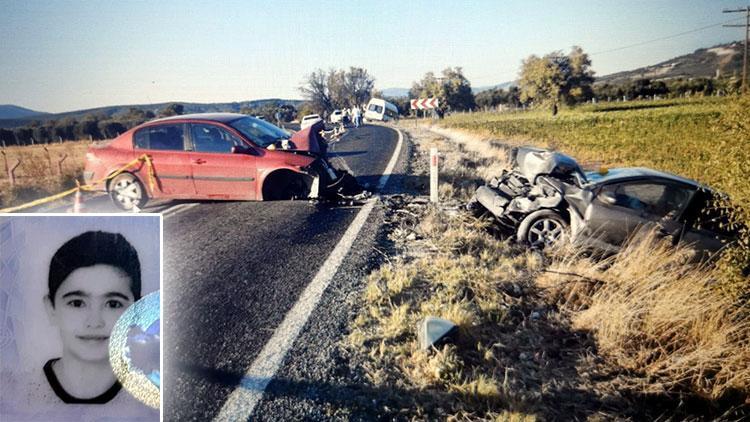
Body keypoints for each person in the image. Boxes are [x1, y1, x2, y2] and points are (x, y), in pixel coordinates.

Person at [42, 231, 141, 404]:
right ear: (51, 309)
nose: (95, 322)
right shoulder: (11, 395)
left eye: (113, 304)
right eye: (77, 303)